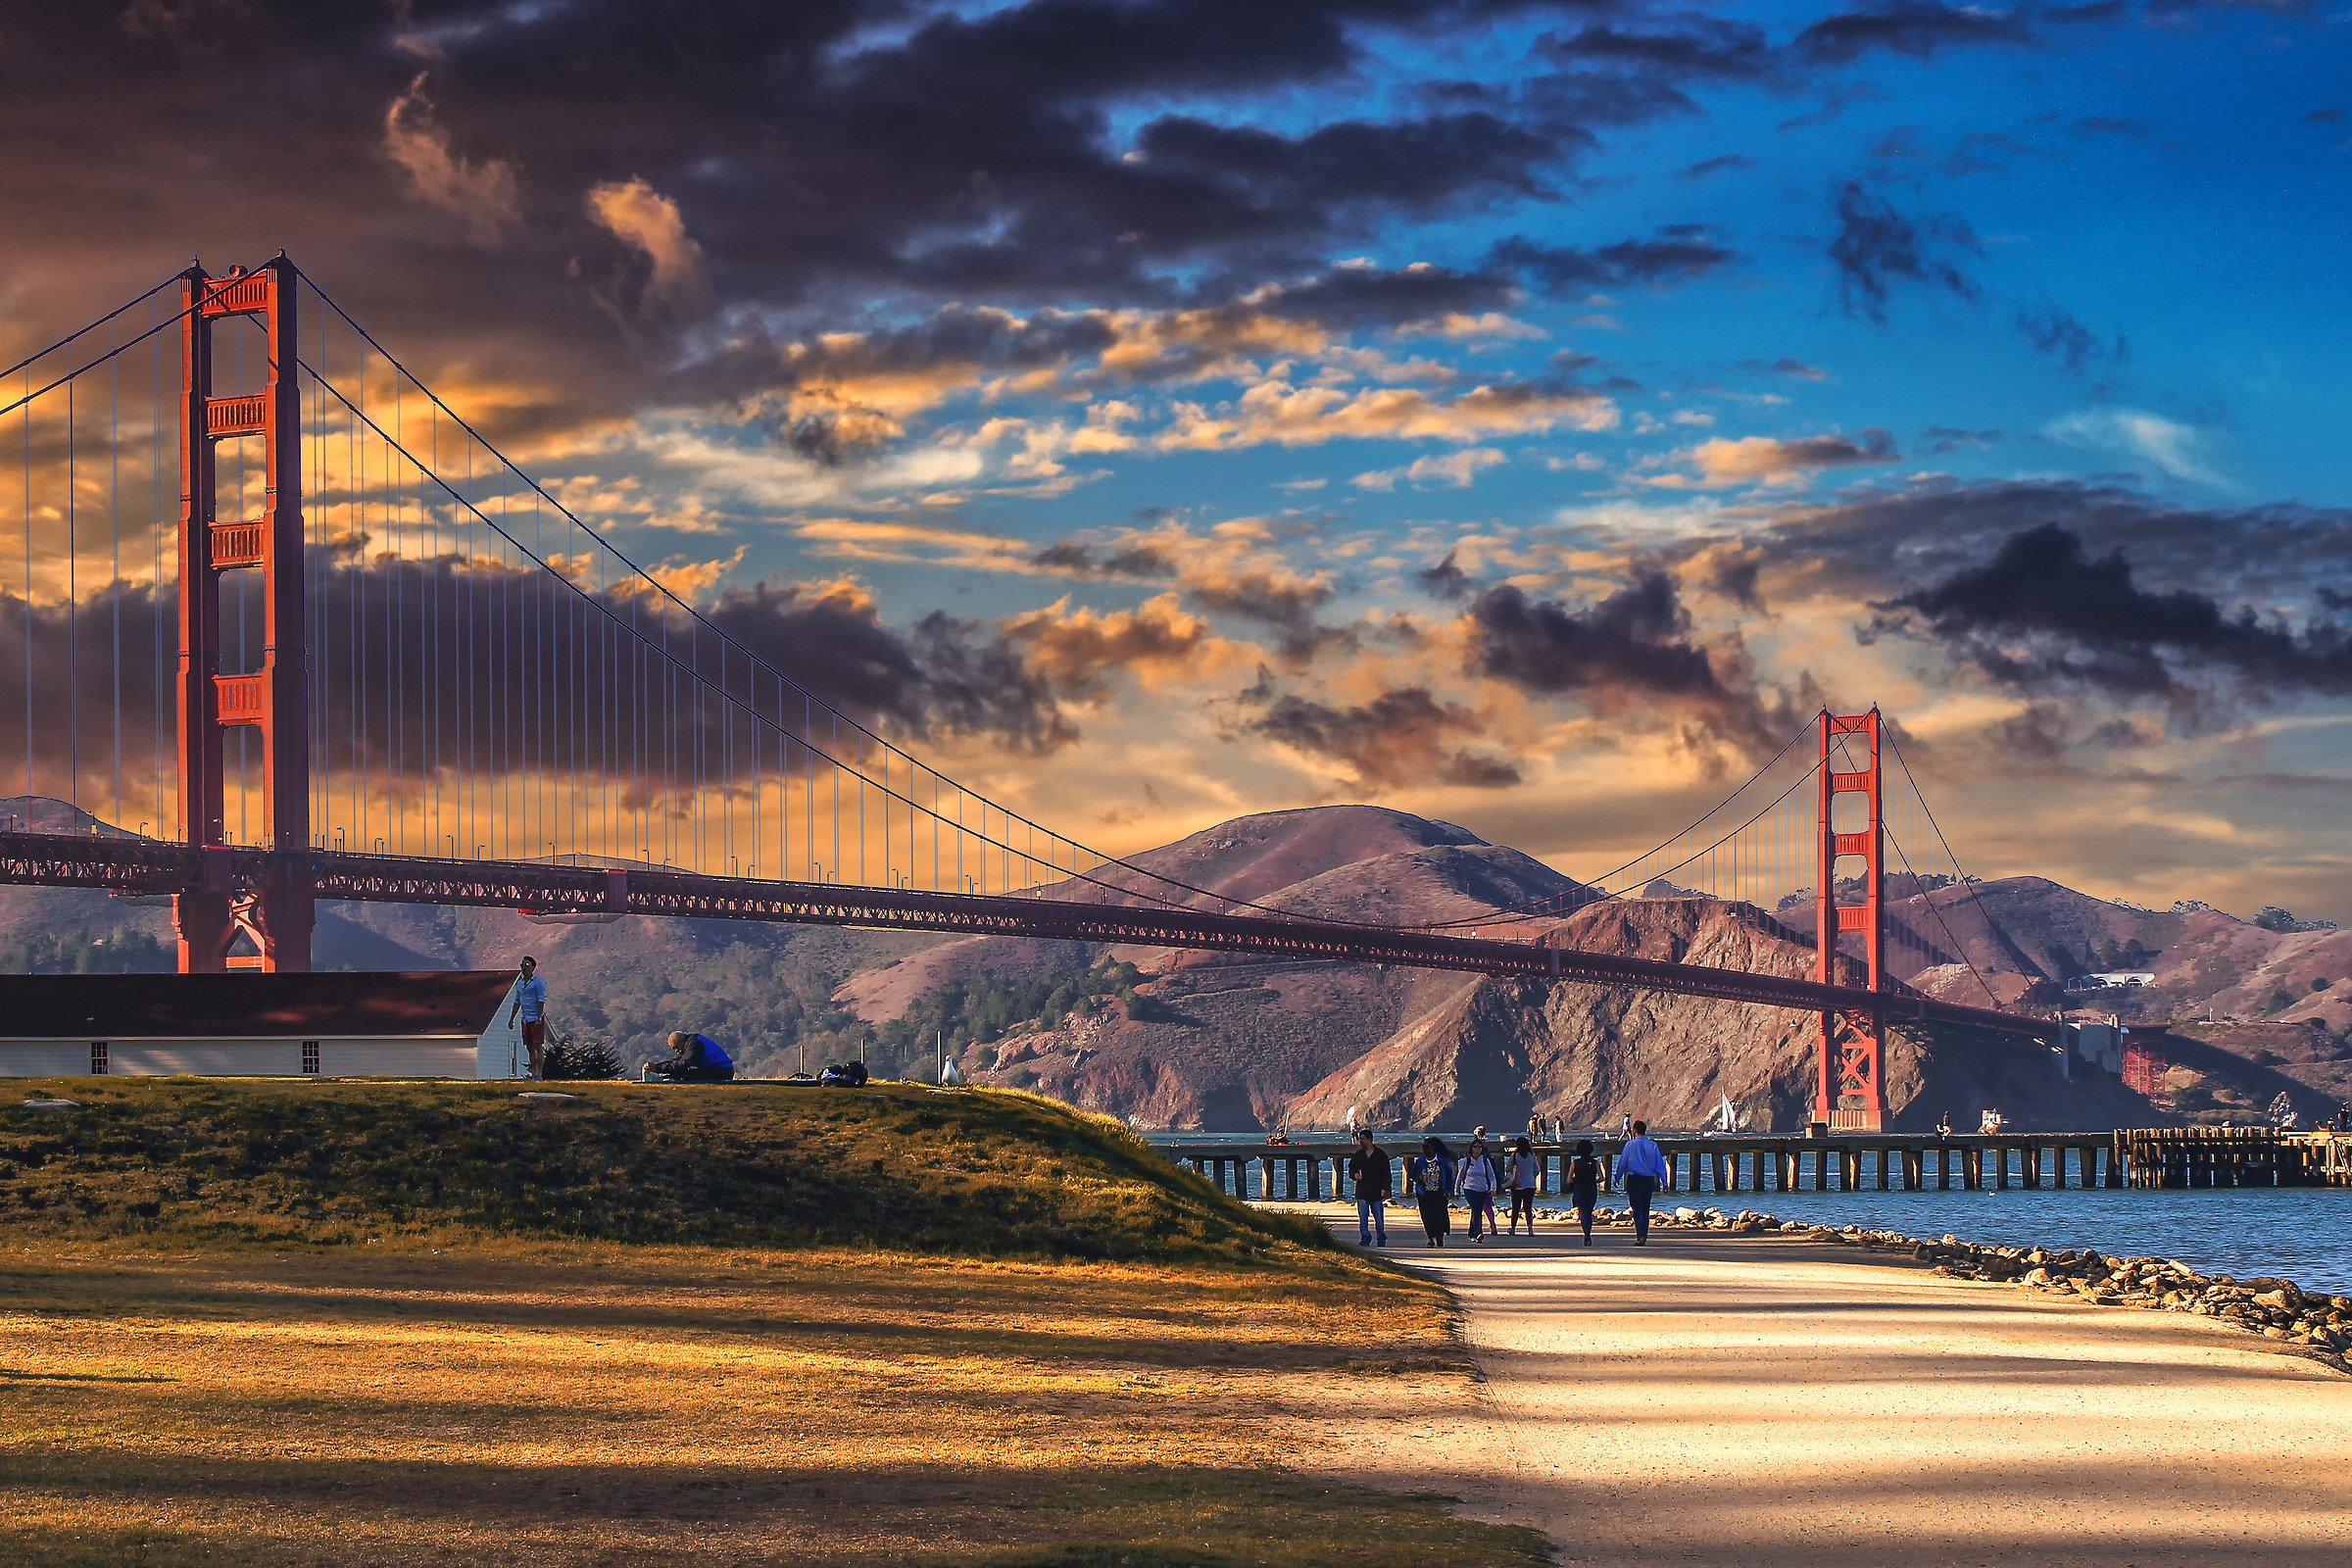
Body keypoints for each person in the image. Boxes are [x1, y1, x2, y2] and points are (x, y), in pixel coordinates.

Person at [1616, 1119, 1669, 1245]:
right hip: (1648, 1179)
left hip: (1634, 1179)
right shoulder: (1653, 1145)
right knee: (1645, 1208)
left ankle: (1640, 1235)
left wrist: (1617, 1178)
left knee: (1636, 1208)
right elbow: (1660, 1165)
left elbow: (1623, 1163)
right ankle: (1643, 1235)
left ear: (1634, 1131)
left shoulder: (1629, 1145)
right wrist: (1665, 1182)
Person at [1347, 1128, 1391, 1248]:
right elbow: (1351, 1170)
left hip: (1377, 1191)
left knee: (1379, 1218)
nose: (1360, 1141)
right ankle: (1365, 1238)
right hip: (1362, 1191)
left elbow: (1387, 1173)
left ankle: (1381, 1238)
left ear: (1370, 1139)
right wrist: (1354, 1175)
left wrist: (1385, 1188)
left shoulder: (1380, 1155)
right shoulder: (1358, 1155)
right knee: (1363, 1217)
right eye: (1359, 1139)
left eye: (1363, 1139)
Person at [1407, 1137, 1455, 1248]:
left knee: (1439, 1215)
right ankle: (1430, 1238)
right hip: (1424, 1193)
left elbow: (1449, 1176)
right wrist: (1418, 1178)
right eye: (1423, 1147)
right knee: (1426, 1216)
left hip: (1439, 1192)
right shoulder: (1420, 1161)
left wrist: (1449, 1190)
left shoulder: (1442, 1161)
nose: (1424, 1149)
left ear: (1433, 1148)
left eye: (1426, 1146)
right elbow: (1412, 1173)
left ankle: (1439, 1236)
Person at [641, 1030, 736, 1083]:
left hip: (722, 1071)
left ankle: (662, 1080)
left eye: (676, 1047)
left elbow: (684, 1063)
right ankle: (661, 1078)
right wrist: (656, 1066)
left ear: (681, 1041)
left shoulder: (695, 1044)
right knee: (680, 1072)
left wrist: (658, 1069)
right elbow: (676, 1061)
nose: (676, 1051)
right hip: (716, 1070)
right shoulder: (689, 1043)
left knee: (685, 1074)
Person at [508, 956, 548, 1079]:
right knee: (529, 1046)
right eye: (522, 965)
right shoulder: (520, 984)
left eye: (527, 965)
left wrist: (538, 1017)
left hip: (535, 1018)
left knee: (537, 1046)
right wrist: (512, 1018)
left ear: (533, 967)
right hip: (525, 1019)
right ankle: (534, 1072)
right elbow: (517, 1001)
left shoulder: (538, 982)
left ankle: (539, 1074)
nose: (524, 968)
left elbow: (541, 1000)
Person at [1458, 1136, 1499, 1242]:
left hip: (1483, 1190)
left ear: (1482, 1149)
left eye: (1479, 1147)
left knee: (1476, 1212)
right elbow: (1460, 1175)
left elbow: (1491, 1176)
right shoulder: (1467, 1161)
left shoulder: (1485, 1161)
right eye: (1475, 1147)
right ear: (1471, 1148)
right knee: (1476, 1210)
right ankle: (1478, 1233)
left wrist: (1493, 1189)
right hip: (1469, 1189)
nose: (1477, 1149)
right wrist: (1456, 1190)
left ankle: (1471, 1234)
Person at [1567, 1139, 1605, 1246]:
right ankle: (1588, 1234)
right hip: (1591, 1190)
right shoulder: (1595, 1163)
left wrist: (1577, 1180)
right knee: (1588, 1212)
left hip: (1579, 1190)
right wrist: (1594, 1181)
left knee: (1583, 1212)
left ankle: (1586, 1235)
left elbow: (1569, 1180)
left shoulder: (1575, 1163)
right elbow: (1602, 1178)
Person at [1503, 1136, 1541, 1237]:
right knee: (1528, 1208)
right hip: (1530, 1185)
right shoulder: (1531, 1155)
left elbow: (1508, 1168)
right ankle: (1530, 1229)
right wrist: (1531, 1177)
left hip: (1517, 1185)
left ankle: (1513, 1228)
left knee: (1515, 1208)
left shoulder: (1515, 1155)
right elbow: (1537, 1170)